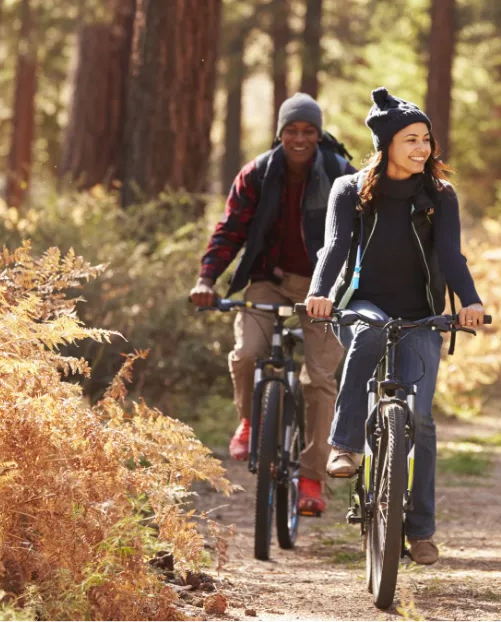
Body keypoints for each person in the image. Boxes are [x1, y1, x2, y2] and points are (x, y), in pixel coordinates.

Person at [305, 87, 485, 566]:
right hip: (364, 304)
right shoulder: (351, 189)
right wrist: (320, 293)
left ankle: (421, 530)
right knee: (366, 333)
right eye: (411, 140)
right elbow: (335, 246)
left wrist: (470, 301)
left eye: (426, 139)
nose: (423, 148)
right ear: (386, 145)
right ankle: (344, 446)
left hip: (422, 313)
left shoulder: (440, 196)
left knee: (421, 420)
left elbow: (451, 255)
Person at [190, 92, 353, 517]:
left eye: (308, 131)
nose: (299, 138)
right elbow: (230, 231)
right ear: (279, 133)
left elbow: (360, 240)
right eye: (291, 131)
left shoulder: (341, 175)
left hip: (323, 289)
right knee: (246, 354)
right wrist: (207, 278)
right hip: (268, 280)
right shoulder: (257, 174)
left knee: (319, 381)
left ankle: (313, 479)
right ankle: (249, 419)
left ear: (319, 135)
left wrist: (357, 290)